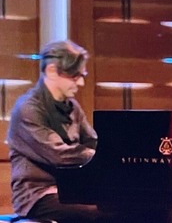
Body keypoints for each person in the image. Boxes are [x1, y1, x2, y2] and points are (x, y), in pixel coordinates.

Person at [7, 39, 105, 223]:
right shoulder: (28, 108)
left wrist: (114, 156)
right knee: (101, 213)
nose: (82, 82)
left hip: (71, 189)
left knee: (126, 206)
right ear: (52, 70)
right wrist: (99, 156)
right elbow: (59, 154)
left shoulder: (72, 106)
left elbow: (93, 141)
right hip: (38, 195)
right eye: (75, 76)